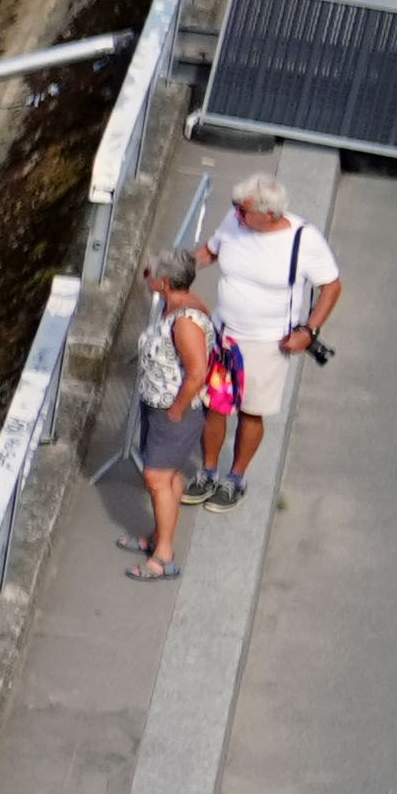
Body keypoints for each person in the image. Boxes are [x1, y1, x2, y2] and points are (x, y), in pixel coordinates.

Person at [202, 170, 338, 503]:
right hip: (224, 335)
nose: (236, 214)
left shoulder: (305, 240)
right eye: (236, 207)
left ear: (270, 214)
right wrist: (175, 269)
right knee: (215, 408)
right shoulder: (236, 223)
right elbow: (210, 252)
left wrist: (309, 330)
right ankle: (206, 472)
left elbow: (331, 286)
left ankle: (235, 478)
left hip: (266, 344)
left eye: (243, 210)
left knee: (251, 411)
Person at [126, 248, 213, 580]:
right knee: (170, 476)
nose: (146, 278)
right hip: (159, 405)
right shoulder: (174, 305)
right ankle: (159, 538)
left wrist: (177, 409)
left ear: (163, 282)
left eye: (149, 274)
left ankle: (163, 556)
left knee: (156, 478)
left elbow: (197, 372)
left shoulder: (185, 321)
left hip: (174, 412)